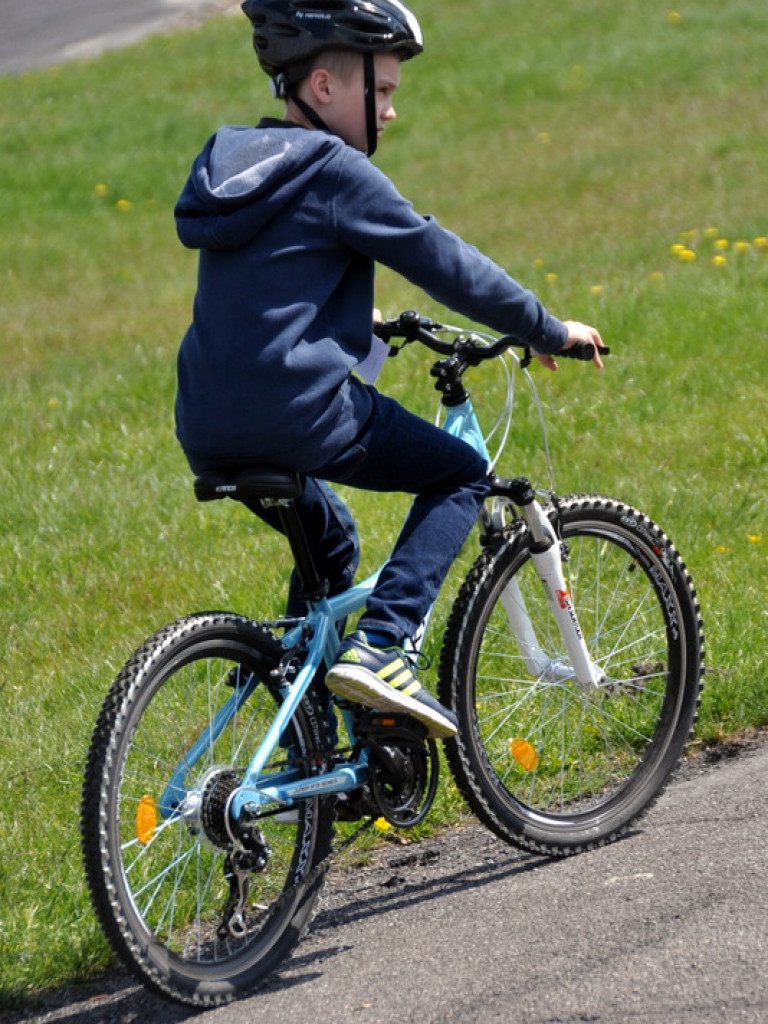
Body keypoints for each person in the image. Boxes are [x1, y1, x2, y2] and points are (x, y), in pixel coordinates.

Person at [174, 0, 605, 741]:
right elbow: (444, 262)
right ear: (323, 88)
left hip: (207, 421)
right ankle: (382, 649)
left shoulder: (238, 165)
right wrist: (545, 327)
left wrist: (350, 321)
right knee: (462, 470)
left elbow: (270, 287)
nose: (392, 112)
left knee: (333, 542)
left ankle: (303, 717)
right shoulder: (335, 171)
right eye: (382, 93)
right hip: (297, 412)